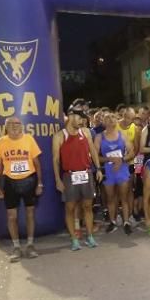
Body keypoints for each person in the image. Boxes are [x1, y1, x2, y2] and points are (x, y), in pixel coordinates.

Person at [0, 117, 43, 261]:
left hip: (29, 180)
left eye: (17, 124)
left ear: (22, 126)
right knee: (11, 216)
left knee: (30, 213)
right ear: (6, 127)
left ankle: (30, 245)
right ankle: (16, 247)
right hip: (10, 182)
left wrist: (40, 183)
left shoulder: (29, 139)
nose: (14, 126)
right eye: (11, 124)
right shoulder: (1, 142)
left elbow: (37, 163)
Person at [53, 108, 102, 251]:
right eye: (79, 118)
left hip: (86, 173)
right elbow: (55, 159)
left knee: (87, 206)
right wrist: (58, 179)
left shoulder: (85, 132)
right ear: (70, 117)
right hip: (69, 175)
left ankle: (90, 236)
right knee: (70, 208)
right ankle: (74, 239)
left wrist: (98, 168)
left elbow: (92, 150)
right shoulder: (59, 136)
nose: (82, 121)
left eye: (83, 119)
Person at [96, 111, 134, 234]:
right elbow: (95, 156)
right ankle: (112, 221)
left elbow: (132, 152)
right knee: (111, 198)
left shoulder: (122, 135)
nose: (111, 119)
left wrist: (121, 159)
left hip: (121, 169)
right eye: (108, 117)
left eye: (113, 117)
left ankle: (126, 221)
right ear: (103, 122)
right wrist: (109, 159)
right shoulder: (99, 137)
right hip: (108, 170)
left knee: (124, 197)